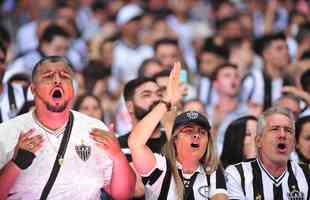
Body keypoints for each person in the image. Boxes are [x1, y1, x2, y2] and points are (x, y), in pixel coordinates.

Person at [0, 56, 135, 199]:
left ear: (72, 88)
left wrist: (118, 156)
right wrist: (15, 164)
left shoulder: (95, 128)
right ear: (33, 89)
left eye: (64, 77)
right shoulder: (7, 132)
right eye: (48, 77)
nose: (57, 81)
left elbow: (123, 194)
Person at [128, 63, 228, 200]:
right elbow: (135, 143)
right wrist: (165, 102)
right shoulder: (160, 167)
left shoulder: (212, 172)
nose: (196, 135)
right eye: (188, 131)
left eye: (202, 132)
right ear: (174, 138)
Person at [225, 106, 310, 200]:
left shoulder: (307, 174)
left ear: (293, 143)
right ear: (258, 141)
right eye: (275, 129)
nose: (282, 135)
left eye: (288, 130)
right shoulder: (237, 174)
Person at [118, 76, 168, 199]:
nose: (156, 99)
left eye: (159, 94)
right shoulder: (119, 146)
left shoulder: (174, 139)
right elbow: (138, 189)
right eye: (147, 95)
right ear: (129, 106)